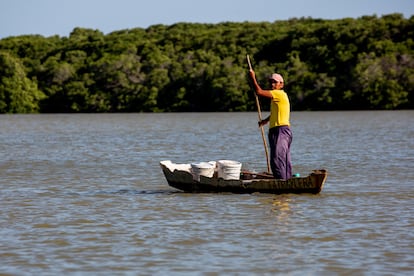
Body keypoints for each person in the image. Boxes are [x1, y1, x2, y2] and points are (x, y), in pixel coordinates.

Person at [249, 70, 292, 180]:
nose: (272, 85)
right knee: (280, 159)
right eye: (271, 82)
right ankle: (285, 180)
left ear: (281, 84)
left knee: (278, 159)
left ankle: (282, 183)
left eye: (275, 82)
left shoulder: (279, 94)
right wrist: (265, 121)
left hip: (281, 131)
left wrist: (253, 77)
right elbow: (275, 113)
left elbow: (259, 92)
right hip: (276, 131)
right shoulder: (276, 98)